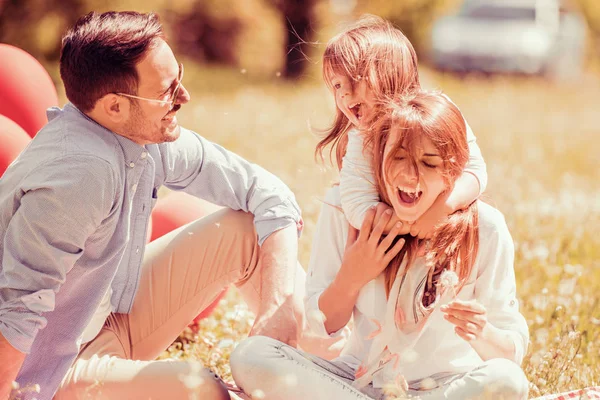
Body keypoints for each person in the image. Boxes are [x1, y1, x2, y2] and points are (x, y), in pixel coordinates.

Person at [0, 11, 308, 400]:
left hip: (107, 319)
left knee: (248, 230)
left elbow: (266, 191)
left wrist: (280, 304)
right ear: (114, 106)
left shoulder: (137, 134)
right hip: (50, 370)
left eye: (178, 75)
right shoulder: (80, 175)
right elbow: (17, 310)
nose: (184, 96)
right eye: (166, 90)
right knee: (200, 390)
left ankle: (326, 371)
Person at [230, 90, 529, 399]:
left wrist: (482, 333)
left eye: (428, 164)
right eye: (398, 157)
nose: (409, 175)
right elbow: (316, 332)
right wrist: (352, 277)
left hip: (440, 388)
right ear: (378, 158)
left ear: (451, 172)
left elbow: (510, 355)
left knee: (507, 380)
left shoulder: (485, 227)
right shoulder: (346, 212)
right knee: (252, 356)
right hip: (351, 383)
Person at [317, 15, 487, 239]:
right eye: (337, 85)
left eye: (356, 78)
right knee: (334, 199)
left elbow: (475, 170)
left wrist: (444, 207)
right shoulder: (360, 138)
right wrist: (407, 226)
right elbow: (356, 203)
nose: (343, 92)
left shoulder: (436, 117)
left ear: (391, 74)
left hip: (442, 227)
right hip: (391, 239)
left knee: (487, 219)